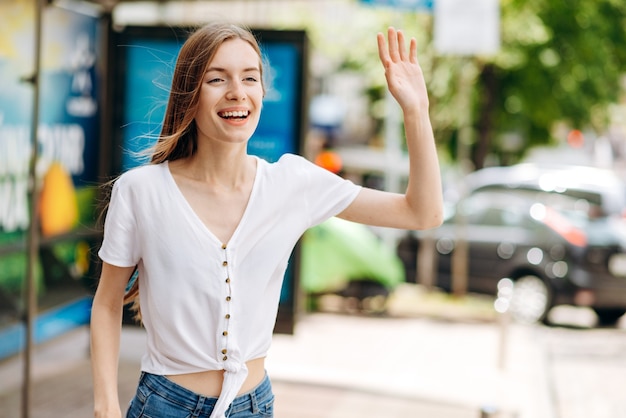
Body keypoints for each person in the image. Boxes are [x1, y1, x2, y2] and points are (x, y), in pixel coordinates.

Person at [90, 21, 443, 418]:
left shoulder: (292, 183)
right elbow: (106, 304)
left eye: (250, 78)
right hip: (163, 405)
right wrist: (106, 406)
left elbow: (423, 212)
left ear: (261, 91)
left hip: (253, 406)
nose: (237, 92)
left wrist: (416, 110)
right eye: (217, 79)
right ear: (190, 92)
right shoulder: (141, 190)